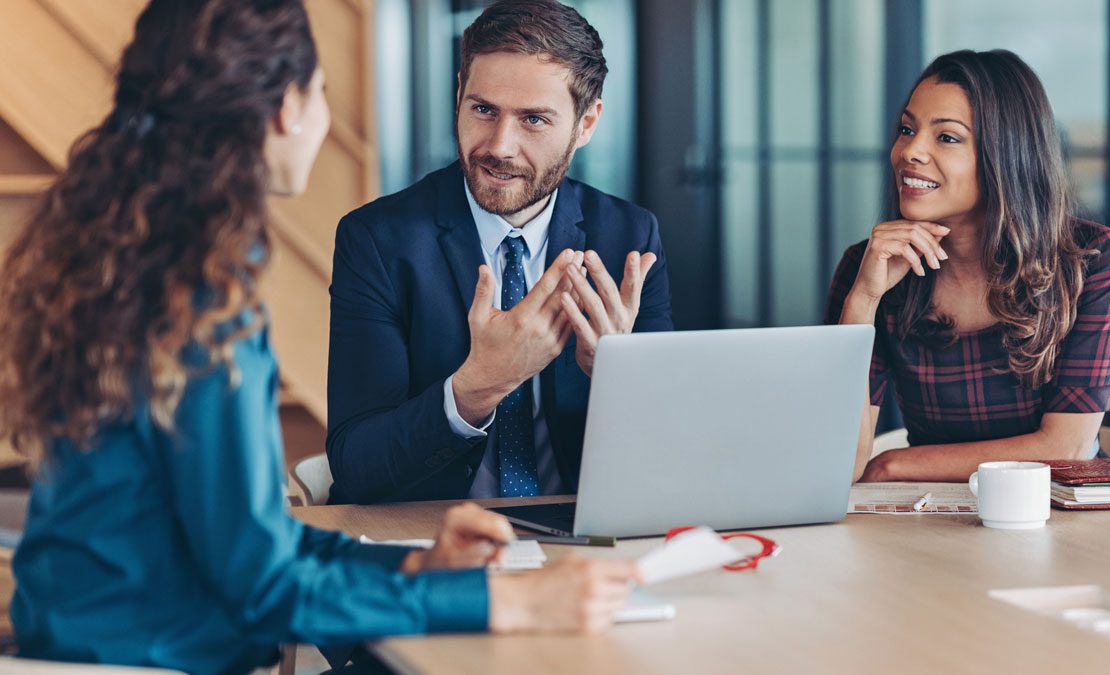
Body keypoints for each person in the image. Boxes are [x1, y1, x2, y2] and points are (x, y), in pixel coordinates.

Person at [0, 2, 637, 673]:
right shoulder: (197, 300)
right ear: (285, 110)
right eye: (321, 93)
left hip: (89, 638)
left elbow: (253, 545)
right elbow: (263, 582)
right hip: (151, 656)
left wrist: (422, 565)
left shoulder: (136, 260)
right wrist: (504, 604)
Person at [326, 0, 673, 504]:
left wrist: (619, 378)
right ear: (459, 95)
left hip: (579, 543)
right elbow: (357, 466)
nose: (500, 146)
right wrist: (479, 386)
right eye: (483, 110)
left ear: (587, 123)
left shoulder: (629, 237)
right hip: (433, 537)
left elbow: (670, 454)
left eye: (533, 119)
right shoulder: (378, 240)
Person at [826, 49, 1110, 483]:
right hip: (926, 514)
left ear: (1006, 155)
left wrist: (894, 464)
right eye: (907, 129)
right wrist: (863, 301)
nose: (910, 151)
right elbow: (840, 463)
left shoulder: (1089, 258)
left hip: (1055, 514)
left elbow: (1068, 448)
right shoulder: (869, 265)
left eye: (946, 137)